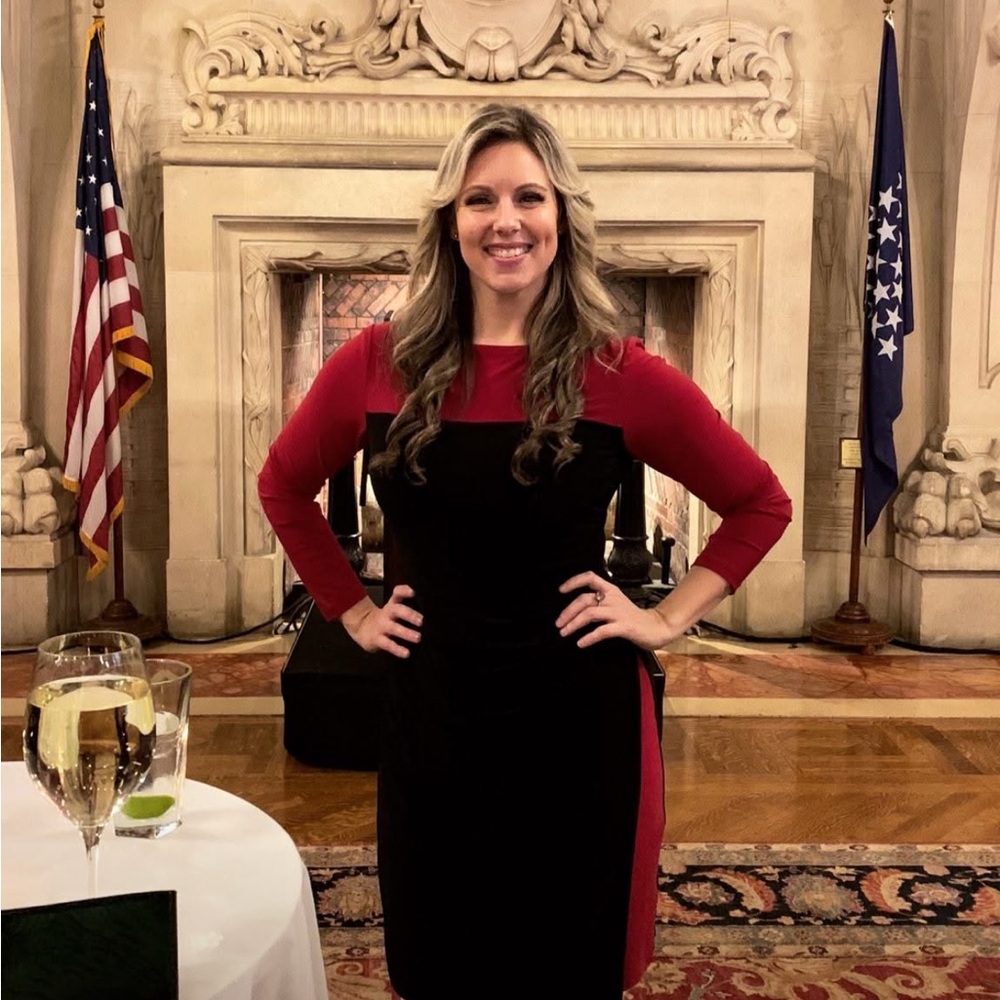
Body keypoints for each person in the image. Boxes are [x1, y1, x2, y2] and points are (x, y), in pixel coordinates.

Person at [258, 103, 792, 999]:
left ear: (560, 218)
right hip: (433, 713)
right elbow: (282, 486)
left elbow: (759, 503)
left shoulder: (622, 373)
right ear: (450, 222)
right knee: (441, 958)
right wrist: (349, 607)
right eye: (480, 199)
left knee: (565, 962)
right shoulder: (376, 362)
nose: (506, 220)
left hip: (577, 719)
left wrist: (664, 617)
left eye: (528, 197)